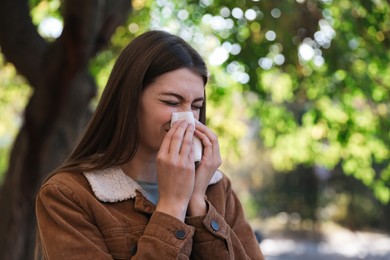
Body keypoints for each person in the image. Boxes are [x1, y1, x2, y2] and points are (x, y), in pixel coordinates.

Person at [35, 30, 264, 260]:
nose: (188, 119)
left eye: (196, 105)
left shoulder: (216, 187)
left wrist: (197, 201)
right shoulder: (68, 195)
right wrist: (172, 206)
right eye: (171, 102)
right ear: (129, 101)